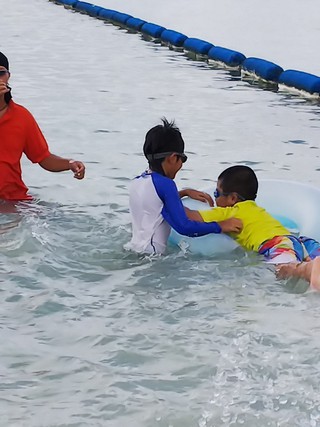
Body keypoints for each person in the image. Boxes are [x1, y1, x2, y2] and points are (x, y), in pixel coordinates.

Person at [185, 165, 320, 288]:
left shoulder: (230, 212)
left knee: (283, 270)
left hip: (277, 244)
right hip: (300, 241)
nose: (215, 199)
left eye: (217, 194)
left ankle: (306, 270)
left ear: (232, 198)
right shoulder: (256, 209)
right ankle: (310, 267)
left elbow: (190, 216)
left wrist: (180, 193)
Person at [125, 118, 242, 255]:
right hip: (152, 256)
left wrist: (184, 192)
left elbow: (154, 202)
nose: (181, 165)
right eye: (183, 159)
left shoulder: (138, 182)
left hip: (132, 249)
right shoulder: (166, 184)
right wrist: (221, 226)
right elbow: (184, 227)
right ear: (173, 157)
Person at [0, 52, 85, 201]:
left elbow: (44, 158)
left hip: (13, 200)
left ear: (8, 76)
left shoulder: (21, 116)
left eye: (1, 73)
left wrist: (70, 163)